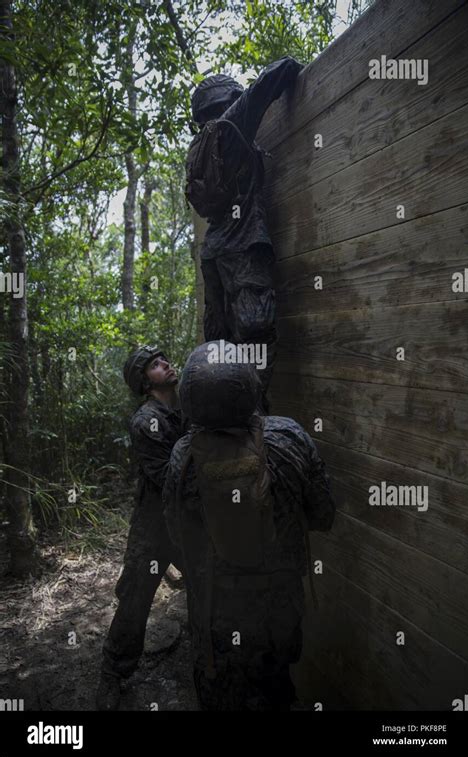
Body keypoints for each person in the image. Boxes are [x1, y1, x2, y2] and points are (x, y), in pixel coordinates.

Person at [163, 342, 335, 711]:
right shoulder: (290, 436)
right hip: (280, 613)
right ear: (250, 384)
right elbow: (324, 516)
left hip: (216, 621)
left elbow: (177, 537)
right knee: (276, 692)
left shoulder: (183, 456)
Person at [187, 56, 304, 409]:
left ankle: (217, 419)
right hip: (243, 245)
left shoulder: (196, 147)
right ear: (228, 99)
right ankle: (247, 418)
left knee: (219, 340)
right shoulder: (231, 123)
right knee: (254, 334)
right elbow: (274, 76)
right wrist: (294, 66)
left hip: (215, 250)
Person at [96, 345, 186, 711]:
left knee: (210, 584)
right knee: (135, 598)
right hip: (155, 525)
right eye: (154, 365)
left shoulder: (186, 409)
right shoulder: (146, 421)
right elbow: (167, 477)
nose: (165, 364)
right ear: (145, 384)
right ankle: (113, 674)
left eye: (163, 359)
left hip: (186, 522)